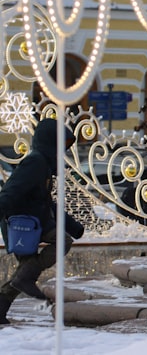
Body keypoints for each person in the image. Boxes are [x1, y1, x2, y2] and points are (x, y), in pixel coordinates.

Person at [0, 119, 85, 325]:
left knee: (24, 273)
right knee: (61, 242)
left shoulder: (44, 165)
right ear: (49, 142)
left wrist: (74, 226)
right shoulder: (36, 162)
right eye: (59, 145)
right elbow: (12, 191)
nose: (61, 151)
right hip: (23, 226)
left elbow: (47, 204)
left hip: (32, 224)